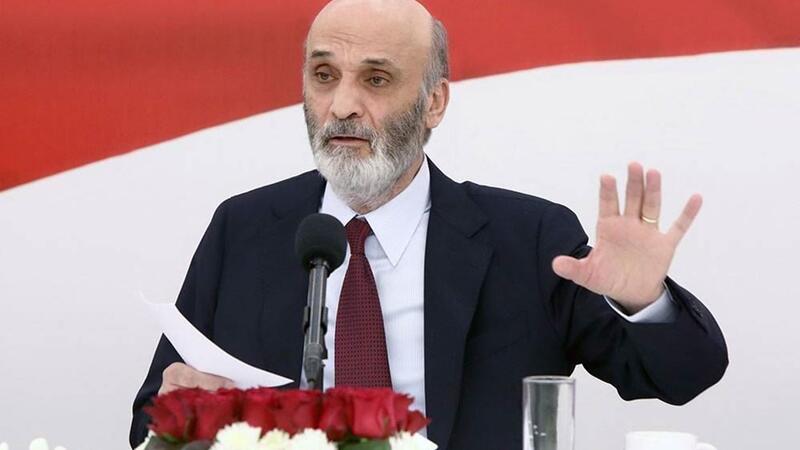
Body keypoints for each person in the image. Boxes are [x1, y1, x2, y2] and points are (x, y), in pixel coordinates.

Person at [130, 1, 728, 448]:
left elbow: (680, 377)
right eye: (324, 75)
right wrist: (184, 415)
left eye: (376, 79)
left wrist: (644, 301)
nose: (342, 105)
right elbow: (148, 423)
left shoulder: (529, 239)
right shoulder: (243, 230)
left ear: (434, 102)